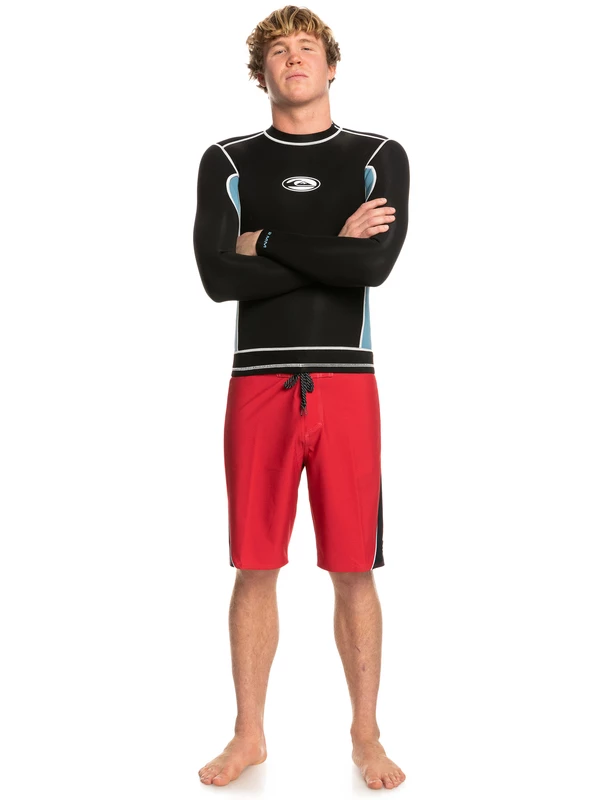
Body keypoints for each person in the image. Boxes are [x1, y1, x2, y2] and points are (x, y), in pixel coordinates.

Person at [193, 5, 409, 791]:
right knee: (254, 564)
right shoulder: (228, 160)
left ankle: (366, 735)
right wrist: (332, 248)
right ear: (261, 74)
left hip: (347, 383)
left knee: (353, 567)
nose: (293, 58)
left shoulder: (377, 156)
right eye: (278, 50)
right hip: (258, 381)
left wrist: (268, 242)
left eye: (307, 47)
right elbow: (218, 277)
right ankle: (249, 734)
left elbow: (372, 268)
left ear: (331, 65)